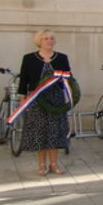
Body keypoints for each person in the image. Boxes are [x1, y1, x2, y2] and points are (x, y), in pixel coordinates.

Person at [18, 29, 71, 176]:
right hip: (37, 99)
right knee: (40, 132)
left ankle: (54, 164)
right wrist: (22, 97)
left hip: (56, 99)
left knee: (55, 131)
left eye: (51, 38)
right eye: (46, 38)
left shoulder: (62, 58)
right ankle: (41, 165)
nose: (49, 41)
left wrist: (69, 95)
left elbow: (68, 78)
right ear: (39, 41)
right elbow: (24, 80)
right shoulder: (29, 59)